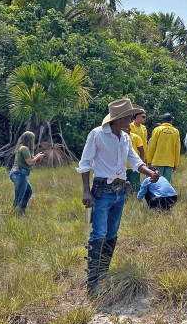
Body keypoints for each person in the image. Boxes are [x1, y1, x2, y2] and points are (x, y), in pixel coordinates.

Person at [77, 98, 159, 297]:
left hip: (120, 192)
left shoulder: (125, 138)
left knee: (112, 234)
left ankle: (103, 274)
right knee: (99, 234)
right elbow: (85, 163)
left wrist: (149, 172)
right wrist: (86, 191)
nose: (130, 120)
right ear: (118, 119)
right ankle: (93, 282)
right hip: (102, 191)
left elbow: (135, 160)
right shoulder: (97, 134)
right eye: (128, 117)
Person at [10, 131, 45, 214]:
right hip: (20, 173)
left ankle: (21, 210)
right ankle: (15, 213)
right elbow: (29, 162)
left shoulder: (21, 147)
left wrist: (37, 156)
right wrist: (38, 157)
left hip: (18, 172)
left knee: (28, 192)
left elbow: (29, 160)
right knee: (19, 196)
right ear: (29, 140)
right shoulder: (25, 148)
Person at [146, 113, 181, 183]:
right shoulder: (176, 131)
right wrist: (175, 163)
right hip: (169, 162)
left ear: (162, 120)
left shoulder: (157, 130)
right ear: (171, 121)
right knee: (166, 183)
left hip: (157, 161)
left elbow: (152, 146)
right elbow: (177, 149)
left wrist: (149, 160)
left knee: (155, 183)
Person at [126, 107, 146, 194]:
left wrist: (142, 162)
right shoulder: (119, 137)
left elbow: (142, 149)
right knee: (124, 186)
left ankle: (136, 198)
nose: (144, 119)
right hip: (123, 166)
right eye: (143, 117)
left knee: (136, 186)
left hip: (134, 165)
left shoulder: (137, 135)